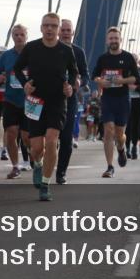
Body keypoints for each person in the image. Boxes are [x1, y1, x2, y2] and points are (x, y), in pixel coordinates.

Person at [14, 13, 78, 201]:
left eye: (53, 26)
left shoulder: (66, 50)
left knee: (51, 140)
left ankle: (45, 184)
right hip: (35, 101)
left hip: (57, 101)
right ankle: (38, 164)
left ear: (58, 29)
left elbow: (74, 73)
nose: (49, 29)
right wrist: (25, 83)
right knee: (36, 148)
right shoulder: (32, 48)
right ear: (41, 28)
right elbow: (18, 68)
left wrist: (70, 86)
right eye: (46, 25)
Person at [92, 27, 139, 178]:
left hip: (123, 99)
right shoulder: (103, 59)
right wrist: (101, 81)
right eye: (111, 38)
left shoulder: (128, 58)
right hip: (107, 99)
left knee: (120, 135)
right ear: (107, 41)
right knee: (108, 131)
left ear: (120, 40)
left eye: (116, 38)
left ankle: (121, 148)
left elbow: (135, 78)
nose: (113, 41)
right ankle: (110, 167)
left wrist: (123, 80)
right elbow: (95, 76)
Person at [0, 24, 33, 179]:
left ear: (26, 36)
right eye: (16, 34)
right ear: (12, 36)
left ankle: (34, 158)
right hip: (11, 100)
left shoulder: (33, 54)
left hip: (29, 101)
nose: (19, 37)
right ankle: (15, 166)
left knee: (26, 136)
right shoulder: (6, 56)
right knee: (11, 134)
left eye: (22, 34)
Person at [57, 19, 89, 185]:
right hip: (50, 100)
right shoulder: (50, 49)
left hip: (70, 101)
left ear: (73, 32)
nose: (65, 33)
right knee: (45, 138)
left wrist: (80, 83)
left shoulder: (78, 52)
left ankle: (61, 172)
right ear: (58, 31)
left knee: (66, 139)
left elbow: (85, 74)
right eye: (63, 30)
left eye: (68, 30)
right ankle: (40, 163)